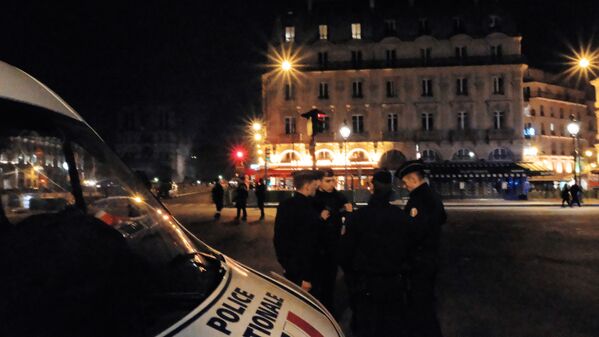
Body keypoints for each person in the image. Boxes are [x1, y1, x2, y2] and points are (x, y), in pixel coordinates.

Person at [338, 171, 426, 337]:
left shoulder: (357, 218)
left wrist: (352, 277)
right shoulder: (401, 218)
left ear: (372, 188)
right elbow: (413, 250)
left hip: (365, 282)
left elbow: (344, 252)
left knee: (365, 326)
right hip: (393, 282)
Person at [396, 159, 446, 337]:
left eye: (405, 182)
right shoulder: (431, 196)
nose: (405, 186)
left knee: (420, 306)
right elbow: (441, 219)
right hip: (429, 258)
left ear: (413, 179)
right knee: (426, 303)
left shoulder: (419, 200)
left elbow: (413, 231)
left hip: (419, 261)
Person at [273, 170, 329, 292]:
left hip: (303, 269)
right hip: (303, 272)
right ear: (307, 186)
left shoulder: (296, 205)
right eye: (315, 185)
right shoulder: (302, 208)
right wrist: (299, 275)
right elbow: (292, 241)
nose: (316, 188)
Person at [312, 168, 352, 313]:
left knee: (330, 280)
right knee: (317, 282)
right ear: (319, 182)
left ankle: (328, 309)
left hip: (334, 245)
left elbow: (348, 216)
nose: (332, 183)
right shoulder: (314, 199)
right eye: (328, 181)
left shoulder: (340, 196)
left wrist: (347, 214)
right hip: (318, 247)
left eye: (333, 180)